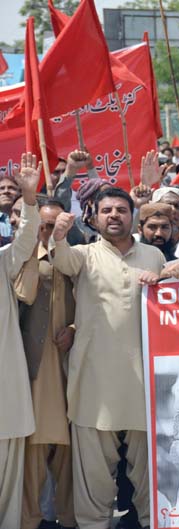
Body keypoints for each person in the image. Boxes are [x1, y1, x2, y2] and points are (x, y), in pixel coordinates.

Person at [51, 186, 165, 529]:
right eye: (106, 211)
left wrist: (169, 276)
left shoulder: (153, 256)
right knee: (94, 478)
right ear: (94, 217)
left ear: (133, 216)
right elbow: (61, 260)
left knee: (149, 476)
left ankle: (151, 523)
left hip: (144, 382)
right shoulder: (82, 254)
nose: (114, 215)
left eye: (121, 209)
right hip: (94, 379)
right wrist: (58, 236)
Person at [14, 198, 76, 529]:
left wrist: (75, 329)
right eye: (44, 226)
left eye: (55, 226)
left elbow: (95, 306)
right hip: (36, 371)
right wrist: (32, 252)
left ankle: (69, 520)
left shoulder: (78, 258)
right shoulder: (21, 258)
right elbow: (23, 293)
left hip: (72, 368)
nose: (49, 232)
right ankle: (28, 521)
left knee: (69, 456)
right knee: (35, 451)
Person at [0, 154, 41, 529]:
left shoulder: (2, 262)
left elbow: (27, 240)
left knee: (7, 494)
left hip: (4, 400)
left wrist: (29, 199)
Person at [0, 174, 21, 241]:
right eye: (1, 188)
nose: (6, 191)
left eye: (11, 188)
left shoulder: (27, 219)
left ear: (20, 192)